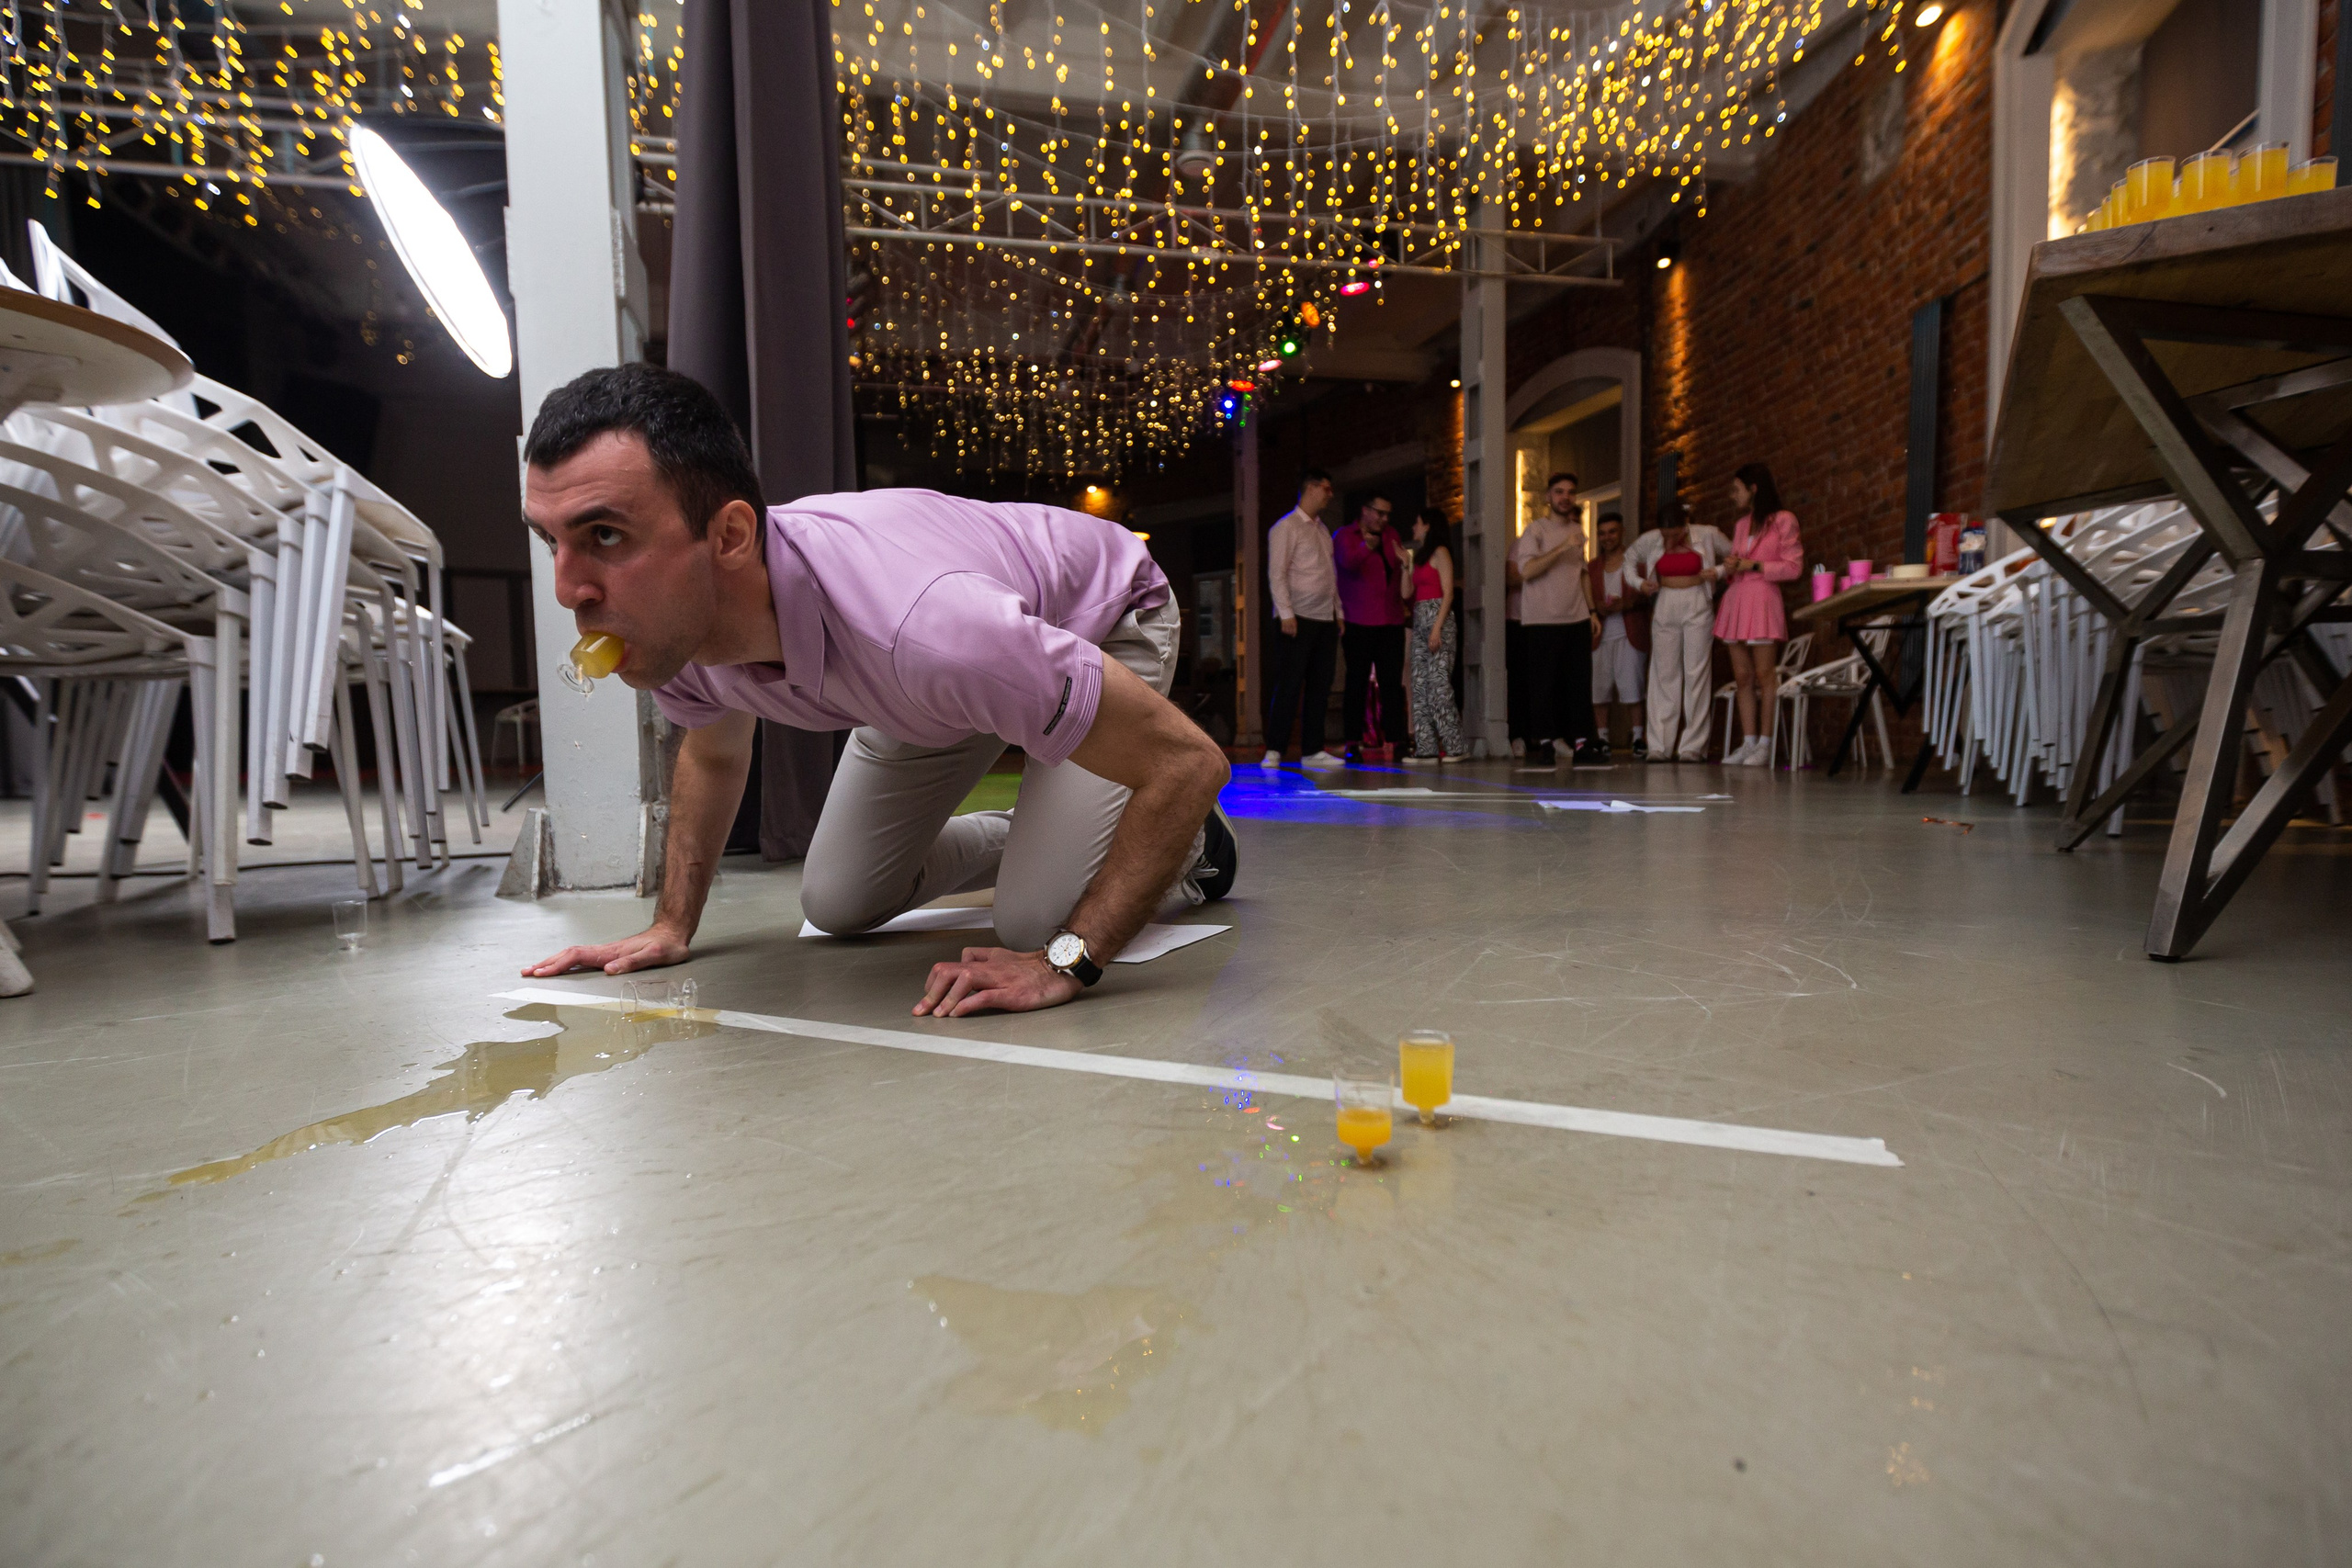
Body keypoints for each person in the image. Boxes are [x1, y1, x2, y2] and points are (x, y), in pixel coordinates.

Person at [515, 365, 1235, 1018]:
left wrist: (1069, 960)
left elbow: (1188, 763)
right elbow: (712, 756)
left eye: (606, 535)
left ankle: (1191, 843)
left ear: (730, 535)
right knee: (839, 901)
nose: (568, 590)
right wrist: (673, 923)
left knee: (1037, 921)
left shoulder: (928, 628)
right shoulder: (685, 630)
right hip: (940, 680)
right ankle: (1054, 835)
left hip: (1099, 617)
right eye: (554, 542)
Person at [1507, 472, 1605, 769]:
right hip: (1541, 619)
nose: (1565, 497)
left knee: (1578, 683)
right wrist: (1563, 547)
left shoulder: (1578, 530)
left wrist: (1592, 611)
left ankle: (1582, 743)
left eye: (1571, 492)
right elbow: (1527, 571)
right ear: (1548, 497)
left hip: (1575, 617)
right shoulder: (1535, 531)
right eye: (1559, 492)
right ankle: (1546, 744)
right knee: (1543, 684)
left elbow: (1582, 573)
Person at [1630, 499, 1735, 762]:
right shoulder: (1651, 539)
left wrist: (1719, 571)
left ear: (1685, 525)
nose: (1669, 540)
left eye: (1675, 535)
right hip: (1666, 602)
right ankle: (1659, 746)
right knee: (1664, 673)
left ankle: (1692, 746)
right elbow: (1629, 559)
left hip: (1697, 602)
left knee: (1696, 672)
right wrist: (1640, 583)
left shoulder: (1707, 534)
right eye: (1665, 536)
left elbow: (1735, 557)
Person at [1714, 462, 1804, 766]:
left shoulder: (1783, 520)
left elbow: (1794, 567)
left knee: (1766, 674)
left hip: (1764, 598)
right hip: (1737, 599)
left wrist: (1752, 566)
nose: (1732, 495)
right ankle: (1748, 741)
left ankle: (1765, 743)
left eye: (1736, 489)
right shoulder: (1742, 525)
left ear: (1753, 489)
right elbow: (1738, 566)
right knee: (1742, 676)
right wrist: (1731, 567)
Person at [1261, 468, 1343, 768]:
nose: (1329, 494)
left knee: (1321, 685)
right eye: (1326, 488)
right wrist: (1285, 612)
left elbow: (1330, 575)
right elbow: (1277, 573)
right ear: (1311, 488)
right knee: (1289, 684)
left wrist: (1339, 612)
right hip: (1295, 617)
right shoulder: (1286, 527)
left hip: (1324, 618)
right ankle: (1274, 749)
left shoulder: (1322, 530)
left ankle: (1313, 750)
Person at [1332, 491, 1408, 760]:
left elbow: (1399, 571)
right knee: (1356, 683)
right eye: (1380, 513)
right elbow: (1347, 563)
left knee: (1391, 684)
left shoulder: (1392, 536)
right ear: (1365, 510)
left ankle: (1397, 740)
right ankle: (1353, 741)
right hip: (1358, 620)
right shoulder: (1344, 536)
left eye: (1388, 514)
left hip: (1391, 620)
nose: (1384, 519)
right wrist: (1367, 548)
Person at [1398, 507, 1467, 762]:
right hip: (1419, 619)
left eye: (1417, 523)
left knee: (1438, 685)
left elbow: (1448, 593)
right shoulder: (1419, 557)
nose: (1413, 528)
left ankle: (1456, 745)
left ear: (1427, 525)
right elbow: (1407, 593)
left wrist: (1437, 627)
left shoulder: (1441, 553)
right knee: (1418, 685)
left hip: (1440, 619)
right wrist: (1406, 565)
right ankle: (1425, 747)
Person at [1585, 512, 1649, 759]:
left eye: (1612, 531)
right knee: (1599, 690)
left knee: (1633, 687)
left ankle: (1638, 738)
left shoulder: (1636, 562)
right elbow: (1586, 596)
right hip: (1600, 634)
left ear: (1621, 532)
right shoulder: (1592, 567)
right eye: (1602, 533)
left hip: (1629, 631)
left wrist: (1627, 603)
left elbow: (1649, 594)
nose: (1607, 537)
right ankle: (1602, 739)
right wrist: (1597, 606)